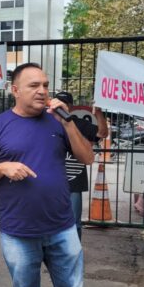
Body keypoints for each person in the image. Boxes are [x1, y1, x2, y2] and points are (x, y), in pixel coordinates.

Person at [0, 63, 94, 287]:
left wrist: (69, 122)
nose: (42, 91)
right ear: (15, 90)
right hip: (18, 231)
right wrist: (3, 167)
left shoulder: (58, 122)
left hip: (62, 227)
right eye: (34, 86)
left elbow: (87, 157)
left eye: (45, 84)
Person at [54, 91, 108, 240]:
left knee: (73, 222)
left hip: (73, 182)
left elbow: (102, 133)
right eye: (57, 102)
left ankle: (74, 250)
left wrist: (98, 112)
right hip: (49, 181)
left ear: (70, 107)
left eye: (64, 103)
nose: (60, 106)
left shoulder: (79, 123)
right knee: (46, 219)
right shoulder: (43, 122)